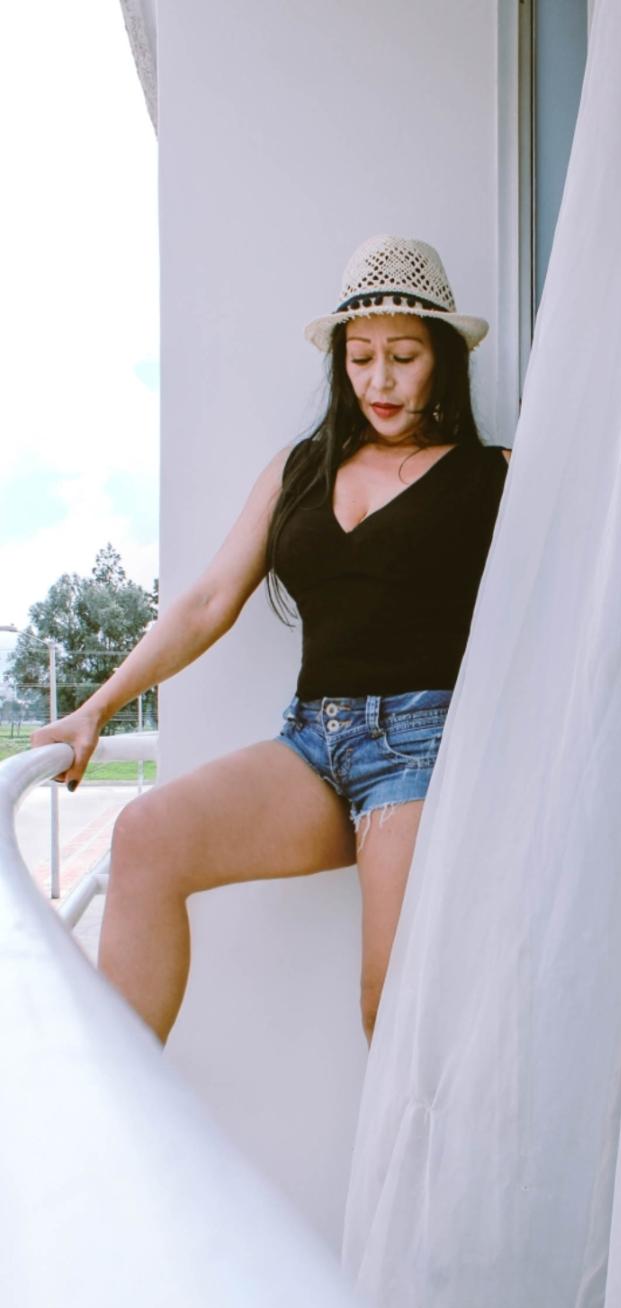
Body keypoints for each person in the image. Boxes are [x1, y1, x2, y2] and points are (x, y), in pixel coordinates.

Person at [31, 234, 511, 1049]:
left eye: (403, 357)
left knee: (388, 1007)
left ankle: (426, 1145)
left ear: (442, 359)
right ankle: (123, 1107)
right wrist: (95, 709)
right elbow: (206, 601)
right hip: (313, 742)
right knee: (144, 836)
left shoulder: (493, 475)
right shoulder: (299, 469)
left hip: (421, 748)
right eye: (360, 357)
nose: (380, 381)